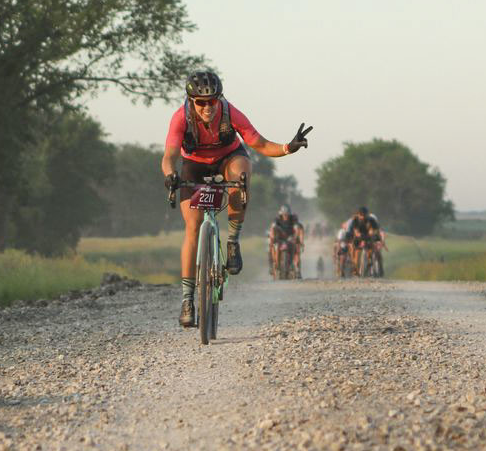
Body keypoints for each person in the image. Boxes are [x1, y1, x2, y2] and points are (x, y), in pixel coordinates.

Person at [162, 70, 312, 327]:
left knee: (240, 176)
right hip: (194, 164)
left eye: (213, 101)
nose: (208, 107)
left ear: (220, 98)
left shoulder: (231, 113)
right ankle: (187, 300)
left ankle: (232, 241)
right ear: (191, 101)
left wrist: (288, 147)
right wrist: (170, 175)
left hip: (228, 157)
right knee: (192, 227)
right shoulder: (180, 118)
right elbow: (170, 155)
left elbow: (260, 144)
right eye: (201, 102)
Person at [269, 204, 305, 278]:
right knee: (273, 247)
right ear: (281, 214)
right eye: (284, 214)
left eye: (287, 214)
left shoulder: (293, 218)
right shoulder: (277, 219)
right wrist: (272, 238)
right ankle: (275, 264)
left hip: (290, 238)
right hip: (279, 239)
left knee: (297, 248)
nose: (285, 216)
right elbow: (273, 228)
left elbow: (297, 228)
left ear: (289, 214)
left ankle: (296, 267)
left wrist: (297, 238)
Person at [347, 206, 382, 275]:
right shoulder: (355, 220)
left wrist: (372, 234)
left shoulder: (371, 220)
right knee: (354, 247)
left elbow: (375, 230)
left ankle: (371, 260)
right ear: (358, 214)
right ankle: (354, 264)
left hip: (368, 235)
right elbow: (355, 231)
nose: (363, 217)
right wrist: (359, 236)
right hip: (358, 234)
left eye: (364, 215)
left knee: (373, 245)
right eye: (361, 215)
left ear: (367, 214)